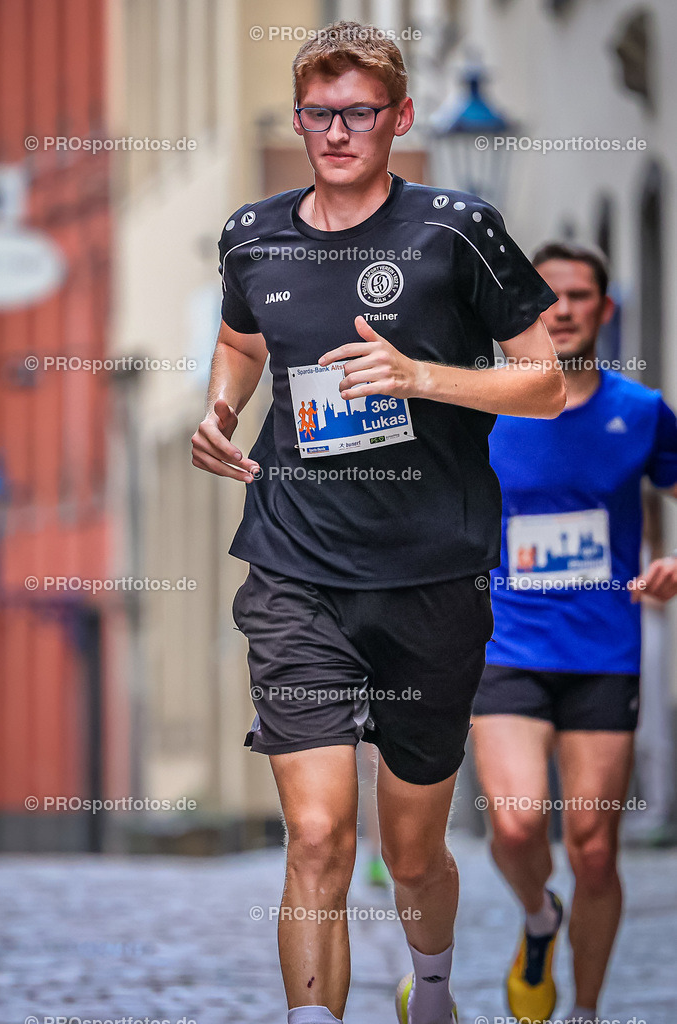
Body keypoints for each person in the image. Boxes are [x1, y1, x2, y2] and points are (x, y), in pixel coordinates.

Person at [191, 22, 565, 1024]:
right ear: (301, 117)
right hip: (294, 565)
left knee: (410, 850)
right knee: (316, 836)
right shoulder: (251, 233)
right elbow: (239, 339)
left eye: (360, 112)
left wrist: (419, 377)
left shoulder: (454, 230)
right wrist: (223, 409)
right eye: (319, 113)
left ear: (400, 117)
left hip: (431, 572)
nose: (337, 132)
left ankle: (431, 988)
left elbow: (549, 383)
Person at [471, 241, 677, 1024]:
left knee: (594, 848)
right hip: (507, 646)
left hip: (604, 655)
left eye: (579, 296)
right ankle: (537, 917)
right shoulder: (484, 407)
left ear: (605, 309)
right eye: (545, 295)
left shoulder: (641, 412)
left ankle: (585, 1010)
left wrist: (671, 566)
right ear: (524, 307)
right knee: (519, 824)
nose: (561, 309)